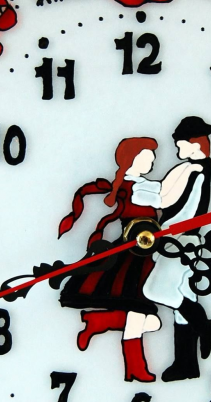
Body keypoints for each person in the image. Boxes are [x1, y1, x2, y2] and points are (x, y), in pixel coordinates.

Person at [57, 137, 163, 383]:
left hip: (147, 253)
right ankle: (135, 368)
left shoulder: (141, 184)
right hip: (134, 255)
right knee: (139, 315)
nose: (152, 161)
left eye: (152, 156)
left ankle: (99, 321)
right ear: (131, 160)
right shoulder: (134, 187)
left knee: (153, 321)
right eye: (147, 156)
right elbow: (162, 199)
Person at [143, 116, 211, 382]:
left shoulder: (192, 169)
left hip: (178, 241)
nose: (177, 148)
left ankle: (202, 323)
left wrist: (134, 186)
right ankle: (187, 365)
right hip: (187, 241)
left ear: (194, 143)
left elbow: (168, 200)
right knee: (182, 302)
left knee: (155, 290)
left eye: (180, 143)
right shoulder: (199, 167)